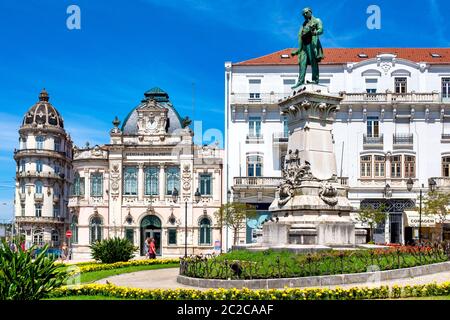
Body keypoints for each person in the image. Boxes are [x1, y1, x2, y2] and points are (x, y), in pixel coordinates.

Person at [291, 7, 324, 88]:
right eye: (303, 14)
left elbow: (321, 30)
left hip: (312, 44)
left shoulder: (317, 20)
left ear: (310, 12)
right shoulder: (303, 24)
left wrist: (315, 32)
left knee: (313, 62)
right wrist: (296, 51)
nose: (305, 15)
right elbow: (301, 36)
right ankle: (300, 81)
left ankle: (315, 80)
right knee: (302, 64)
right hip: (304, 47)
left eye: (306, 13)